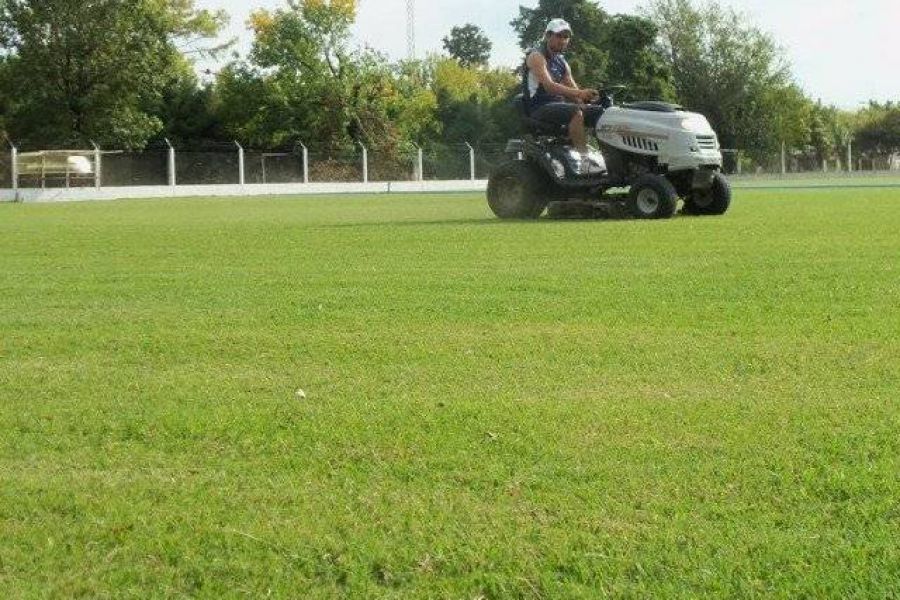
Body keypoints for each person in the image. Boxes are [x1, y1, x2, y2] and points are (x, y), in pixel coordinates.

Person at [524, 18, 602, 156]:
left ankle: (609, 159)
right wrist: (580, 94)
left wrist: (588, 100)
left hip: (558, 106)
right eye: (559, 36)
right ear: (548, 36)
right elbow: (549, 87)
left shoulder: (562, 62)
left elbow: (573, 89)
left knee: (601, 112)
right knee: (576, 112)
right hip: (539, 107)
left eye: (566, 37)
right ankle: (585, 161)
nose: (563, 40)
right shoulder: (536, 56)